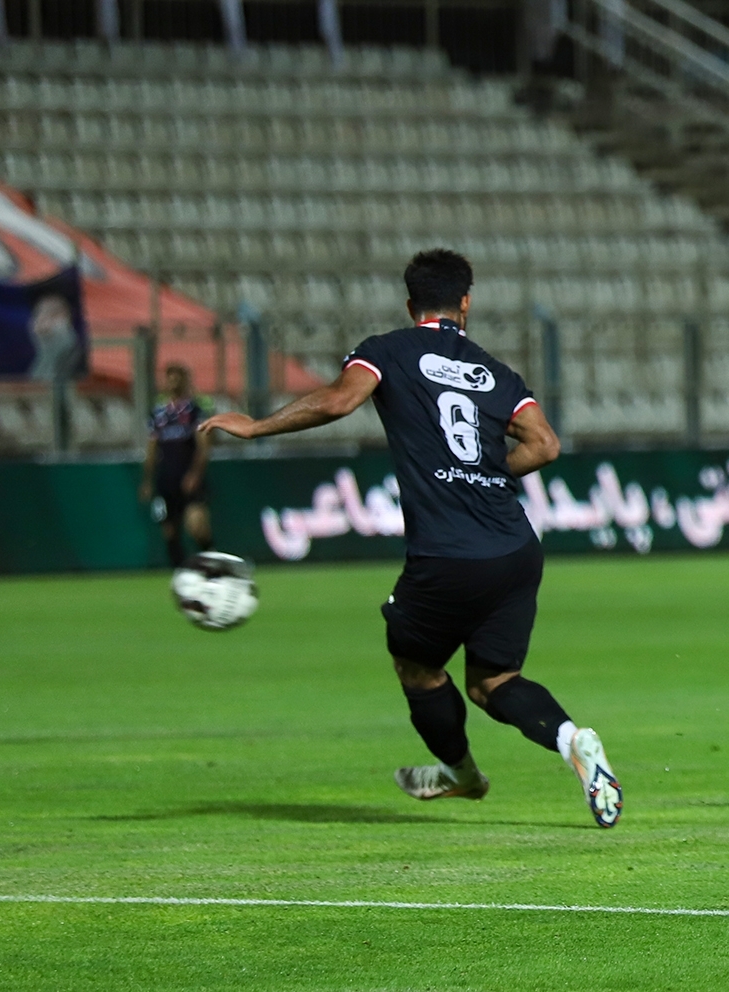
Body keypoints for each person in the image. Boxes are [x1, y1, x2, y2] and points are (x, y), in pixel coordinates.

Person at [200, 249, 622, 828]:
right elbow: (545, 445)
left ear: (409, 304)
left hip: (447, 554)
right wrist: (486, 473)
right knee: (494, 682)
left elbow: (338, 400)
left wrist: (255, 425)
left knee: (417, 667)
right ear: (465, 303)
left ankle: (461, 774)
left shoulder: (388, 351)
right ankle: (572, 738)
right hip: (515, 549)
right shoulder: (495, 373)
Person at [139, 363, 214, 567]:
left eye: (177, 378)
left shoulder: (195, 411)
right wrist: (147, 480)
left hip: (187, 477)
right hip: (166, 479)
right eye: (170, 378)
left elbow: (203, 447)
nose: (173, 383)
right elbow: (152, 449)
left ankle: (212, 563)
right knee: (169, 531)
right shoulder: (159, 413)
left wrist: (195, 474)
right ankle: (181, 571)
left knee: (197, 527)